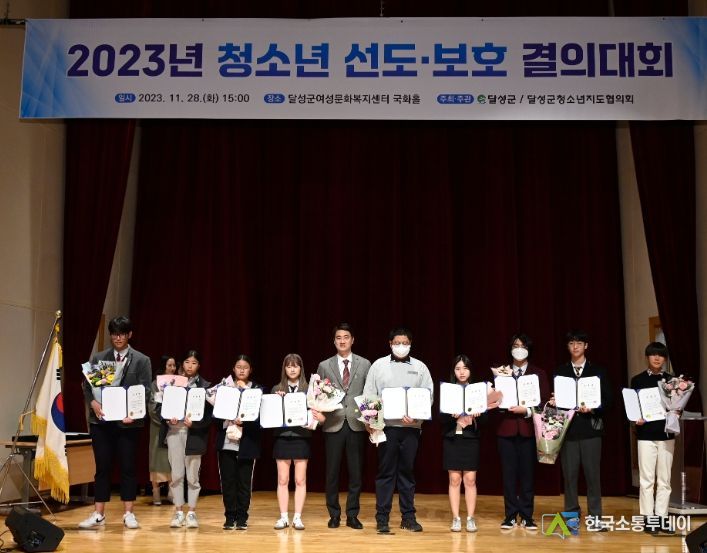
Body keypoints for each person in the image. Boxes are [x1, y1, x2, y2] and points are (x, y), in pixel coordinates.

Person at [78, 316, 152, 529]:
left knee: (128, 467)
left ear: (129, 335)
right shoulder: (100, 358)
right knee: (102, 467)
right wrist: (93, 403)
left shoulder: (141, 360)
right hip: (102, 422)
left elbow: (145, 391)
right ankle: (98, 514)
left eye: (122, 334)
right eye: (114, 334)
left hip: (128, 423)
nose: (118, 338)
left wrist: (134, 413)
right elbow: (87, 386)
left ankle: (129, 513)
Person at [362, 326, 434, 533]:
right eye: (397, 343)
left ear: (410, 344)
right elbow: (369, 395)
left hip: (411, 429)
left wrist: (417, 416)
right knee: (385, 473)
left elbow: (428, 396)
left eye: (405, 343)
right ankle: (382, 518)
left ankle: (408, 517)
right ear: (390, 344)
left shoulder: (420, 367)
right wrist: (371, 424)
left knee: (407, 473)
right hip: (386, 429)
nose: (401, 346)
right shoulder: (378, 366)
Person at [555, 330, 612, 531]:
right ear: (568, 346)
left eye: (579, 343)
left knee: (593, 476)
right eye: (572, 343)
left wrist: (593, 408)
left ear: (586, 346)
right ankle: (571, 518)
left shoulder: (598, 371)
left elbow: (608, 400)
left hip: (591, 430)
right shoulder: (561, 371)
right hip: (568, 431)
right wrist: (555, 401)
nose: (575, 346)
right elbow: (557, 402)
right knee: (569, 477)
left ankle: (595, 518)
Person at [316, 323, 371, 530]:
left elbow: (369, 393)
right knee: (332, 472)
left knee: (356, 473)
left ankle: (352, 515)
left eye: (346, 337)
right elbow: (317, 394)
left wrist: (371, 421)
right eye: (338, 337)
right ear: (334, 341)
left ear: (352, 340)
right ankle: (334, 514)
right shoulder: (324, 365)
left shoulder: (365, 364)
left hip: (357, 423)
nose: (342, 341)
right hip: (333, 423)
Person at [495, 333, 549, 530]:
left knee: (528, 476)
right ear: (510, 349)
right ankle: (510, 515)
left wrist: (526, 410)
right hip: (506, 430)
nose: (519, 349)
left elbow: (544, 403)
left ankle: (527, 516)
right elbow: (494, 401)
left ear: (529, 349)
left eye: (523, 346)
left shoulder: (538, 373)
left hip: (529, 431)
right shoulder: (501, 372)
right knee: (508, 476)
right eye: (515, 345)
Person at [442, 354, 498, 533]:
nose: (462, 372)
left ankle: (470, 518)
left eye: (465, 368)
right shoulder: (448, 391)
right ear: (453, 371)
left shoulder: (478, 392)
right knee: (454, 479)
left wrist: (478, 416)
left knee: (470, 479)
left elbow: (486, 422)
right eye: (458, 368)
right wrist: (451, 416)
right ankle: (456, 518)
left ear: (470, 371)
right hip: (452, 439)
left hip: (470, 439)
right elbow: (440, 420)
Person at [271, 354, 325, 531]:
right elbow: (270, 416)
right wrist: (277, 400)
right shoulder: (277, 389)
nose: (292, 369)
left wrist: (320, 418)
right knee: (283, 479)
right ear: (284, 369)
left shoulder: (310, 389)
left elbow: (319, 417)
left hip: (301, 438)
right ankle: (283, 517)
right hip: (282, 437)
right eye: (289, 366)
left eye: (295, 366)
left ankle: (297, 517)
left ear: (301, 368)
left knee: (300, 480)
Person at [630, 342, 676, 534]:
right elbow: (633, 407)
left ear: (664, 359)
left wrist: (676, 412)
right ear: (647, 357)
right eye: (653, 354)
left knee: (665, 480)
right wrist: (636, 418)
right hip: (645, 435)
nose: (657, 358)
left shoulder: (672, 381)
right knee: (647, 479)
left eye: (661, 355)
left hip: (666, 434)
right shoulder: (637, 380)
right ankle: (649, 519)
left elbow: (677, 406)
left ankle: (662, 518)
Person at [163, 350, 212, 529]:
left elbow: (209, 417)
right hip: (174, 432)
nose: (190, 366)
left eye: (194, 362)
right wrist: (168, 418)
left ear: (199, 365)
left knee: (192, 476)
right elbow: (161, 407)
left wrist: (195, 424)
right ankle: (178, 511)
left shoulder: (205, 387)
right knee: (176, 475)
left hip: (194, 435)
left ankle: (191, 512)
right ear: (181, 364)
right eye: (187, 362)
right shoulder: (171, 383)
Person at [216, 354, 264, 530]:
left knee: (244, 482)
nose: (242, 370)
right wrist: (227, 416)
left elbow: (261, 418)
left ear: (250, 370)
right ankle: (230, 517)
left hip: (247, 442)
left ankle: (242, 517)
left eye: (245, 367)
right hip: (227, 441)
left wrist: (245, 421)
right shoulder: (224, 388)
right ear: (233, 369)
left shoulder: (257, 390)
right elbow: (215, 415)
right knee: (228, 481)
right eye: (238, 367)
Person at [147, 354, 177, 506]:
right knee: (157, 457)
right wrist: (164, 418)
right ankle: (156, 491)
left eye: (174, 365)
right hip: (159, 426)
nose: (172, 368)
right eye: (169, 365)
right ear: (163, 366)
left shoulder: (178, 383)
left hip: (174, 426)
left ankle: (172, 491)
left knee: (172, 459)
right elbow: (152, 406)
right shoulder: (155, 384)